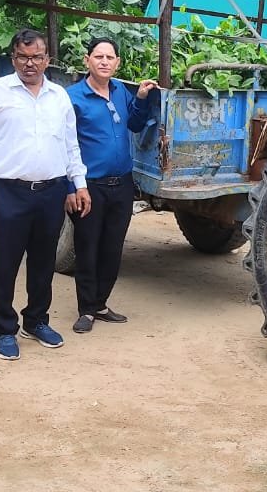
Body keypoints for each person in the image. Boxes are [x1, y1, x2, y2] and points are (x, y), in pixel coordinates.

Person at [0, 28, 92, 360]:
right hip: (9, 192)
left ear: (48, 59)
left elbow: (70, 146)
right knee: (4, 262)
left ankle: (36, 321)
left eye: (36, 57)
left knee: (43, 262)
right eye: (22, 56)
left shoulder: (59, 96)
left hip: (51, 193)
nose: (29, 63)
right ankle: (4, 328)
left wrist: (80, 184)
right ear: (13, 58)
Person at [65, 37, 158, 333]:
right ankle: (86, 309)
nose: (104, 62)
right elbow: (64, 145)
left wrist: (141, 98)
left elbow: (133, 124)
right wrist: (71, 188)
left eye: (110, 57)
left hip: (122, 185)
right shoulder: (72, 97)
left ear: (117, 62)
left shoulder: (120, 91)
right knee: (87, 246)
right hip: (89, 186)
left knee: (112, 247)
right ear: (87, 60)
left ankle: (101, 303)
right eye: (98, 56)